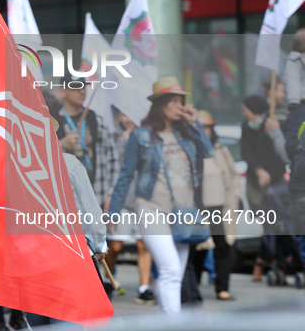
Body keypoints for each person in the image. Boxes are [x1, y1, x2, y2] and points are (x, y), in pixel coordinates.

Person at [108, 77, 213, 315]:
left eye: (181, 101)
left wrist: (194, 122)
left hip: (184, 211)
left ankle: (163, 321)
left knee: (173, 276)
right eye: (173, 101)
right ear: (161, 105)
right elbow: (125, 175)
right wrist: (113, 212)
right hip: (151, 208)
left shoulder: (187, 135)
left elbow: (207, 151)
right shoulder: (141, 136)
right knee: (170, 270)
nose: (179, 106)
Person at [24, 116, 107, 328]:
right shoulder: (68, 164)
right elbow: (90, 212)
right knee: (71, 322)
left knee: (39, 324)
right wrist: (99, 245)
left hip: (29, 261)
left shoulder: (14, 169)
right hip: (69, 256)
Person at [104, 109, 155, 304]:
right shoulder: (115, 138)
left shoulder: (148, 137)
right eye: (123, 115)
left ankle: (144, 288)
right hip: (122, 202)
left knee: (144, 245)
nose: (127, 119)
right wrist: (111, 199)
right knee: (115, 246)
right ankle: (108, 280)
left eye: (130, 114)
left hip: (144, 201)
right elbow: (114, 170)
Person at [193, 110, 241, 301]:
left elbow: (233, 177)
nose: (205, 131)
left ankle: (222, 288)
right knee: (198, 249)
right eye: (201, 128)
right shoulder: (191, 151)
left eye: (208, 128)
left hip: (220, 208)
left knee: (223, 247)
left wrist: (235, 198)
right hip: (198, 209)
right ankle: (192, 288)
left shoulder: (221, 150)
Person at [51, 74, 119, 209]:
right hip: (61, 199)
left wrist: (111, 195)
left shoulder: (96, 120)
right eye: (76, 87)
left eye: (84, 87)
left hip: (95, 195)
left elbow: (112, 159)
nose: (82, 91)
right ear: (62, 91)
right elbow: (40, 158)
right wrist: (61, 145)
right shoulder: (50, 121)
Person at [241, 95, 290, 281]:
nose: (243, 112)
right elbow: (246, 152)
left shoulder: (274, 126)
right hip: (256, 185)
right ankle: (268, 263)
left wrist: (274, 131)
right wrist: (258, 170)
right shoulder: (245, 127)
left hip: (276, 183)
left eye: (245, 108)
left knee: (276, 226)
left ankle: (267, 263)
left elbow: (282, 153)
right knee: (269, 224)